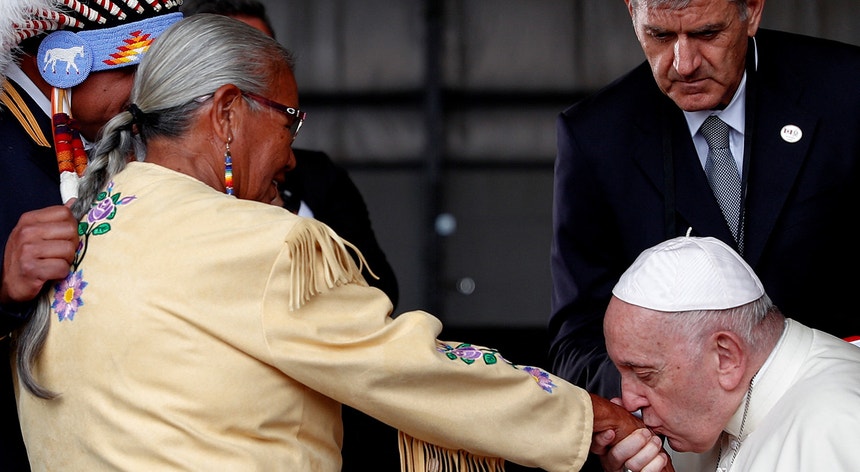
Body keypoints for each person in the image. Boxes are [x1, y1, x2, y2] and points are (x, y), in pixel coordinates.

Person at [11, 14, 664, 471]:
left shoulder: (82, 228)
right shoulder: (260, 243)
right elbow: (407, 367)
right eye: (289, 120)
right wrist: (588, 417)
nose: (293, 153)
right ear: (227, 113)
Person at [549, 0, 860, 399]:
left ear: (752, 10)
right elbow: (576, 343)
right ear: (632, 13)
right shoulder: (595, 138)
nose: (684, 64)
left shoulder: (848, 92)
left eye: (707, 33)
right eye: (660, 35)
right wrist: (655, 392)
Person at [1, 1, 183, 469]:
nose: (153, 92)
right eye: (135, 69)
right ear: (60, 59)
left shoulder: (120, 133)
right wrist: (3, 291)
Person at [179, 0, 400, 309]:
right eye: (237, 58)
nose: (257, 76)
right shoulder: (163, 192)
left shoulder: (319, 176)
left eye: (265, 56)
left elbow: (380, 293)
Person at [598, 235, 860, 471]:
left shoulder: (842, 429)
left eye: (645, 374)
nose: (629, 403)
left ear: (726, 357)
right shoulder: (711, 411)